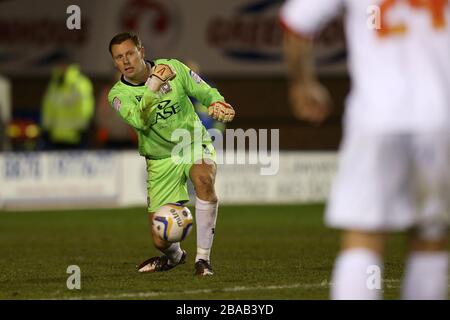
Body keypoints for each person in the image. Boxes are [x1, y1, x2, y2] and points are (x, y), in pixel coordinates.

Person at [280, 0, 450, 299]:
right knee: (430, 236)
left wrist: (302, 85)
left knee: (364, 235)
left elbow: (295, 23)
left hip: (376, 117)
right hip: (440, 119)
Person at [107, 32, 235, 276]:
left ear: (141, 52)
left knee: (204, 180)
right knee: (160, 240)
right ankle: (176, 257)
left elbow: (205, 91)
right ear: (114, 62)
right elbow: (139, 120)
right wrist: (153, 84)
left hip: (192, 143)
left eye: (130, 53)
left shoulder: (174, 68)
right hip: (160, 160)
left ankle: (203, 260)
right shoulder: (117, 95)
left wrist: (218, 102)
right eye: (119, 57)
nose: (126, 61)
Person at [41, 63, 95, 150]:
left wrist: (83, 128)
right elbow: (48, 109)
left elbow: (87, 108)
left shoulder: (81, 83)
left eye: (64, 64)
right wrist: (46, 128)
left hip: (75, 136)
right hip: (55, 137)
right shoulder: (54, 84)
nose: (61, 67)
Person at [95, 71, 137, 149]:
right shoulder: (106, 93)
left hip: (129, 139)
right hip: (109, 139)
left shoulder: (134, 92)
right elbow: (100, 113)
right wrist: (103, 129)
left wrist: (135, 132)